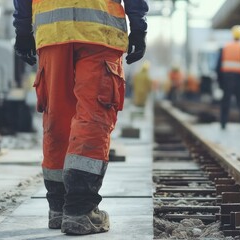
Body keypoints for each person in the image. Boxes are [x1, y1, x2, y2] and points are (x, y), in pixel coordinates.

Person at [13, 0, 148, 235]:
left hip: (52, 32)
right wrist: (138, 26)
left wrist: (23, 30)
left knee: (57, 118)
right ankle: (80, 210)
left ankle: (59, 207)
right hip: (100, 32)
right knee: (93, 116)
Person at [216, 25, 240, 129]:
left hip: (227, 78)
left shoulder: (226, 47)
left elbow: (218, 66)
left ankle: (223, 123)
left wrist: (220, 81)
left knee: (226, 101)